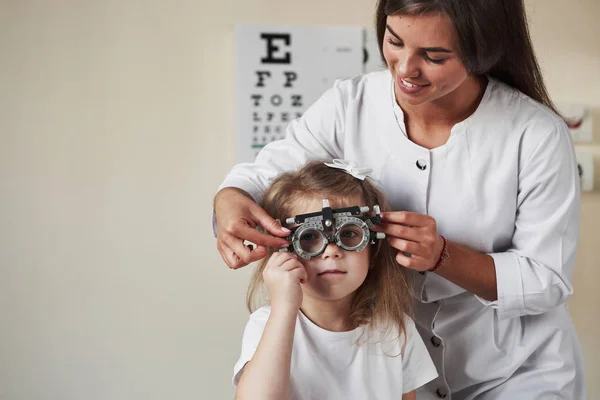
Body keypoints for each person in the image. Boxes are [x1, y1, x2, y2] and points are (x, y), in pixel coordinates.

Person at [215, 0, 586, 398]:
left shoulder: (535, 134)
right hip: (407, 372)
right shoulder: (349, 106)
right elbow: (262, 175)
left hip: (516, 372)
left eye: (434, 55)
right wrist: (229, 199)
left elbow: (545, 280)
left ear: (483, 51)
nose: (405, 68)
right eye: (394, 41)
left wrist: (444, 256)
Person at [232, 161, 438, 400]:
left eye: (349, 234)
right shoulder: (268, 324)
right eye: (309, 237)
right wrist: (284, 309)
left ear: (373, 251)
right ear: (283, 251)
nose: (331, 251)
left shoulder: (395, 330)